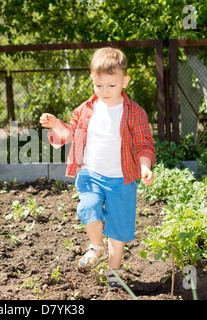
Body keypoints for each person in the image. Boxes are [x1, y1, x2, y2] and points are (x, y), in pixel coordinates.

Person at [39, 47, 155, 287]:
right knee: (88, 207)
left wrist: (145, 166)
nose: (104, 92)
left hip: (123, 179)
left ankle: (114, 271)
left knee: (118, 228)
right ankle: (96, 247)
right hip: (91, 174)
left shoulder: (134, 113)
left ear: (125, 81)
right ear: (92, 80)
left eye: (111, 86)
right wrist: (56, 124)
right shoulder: (85, 109)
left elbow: (145, 144)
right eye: (98, 85)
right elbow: (68, 135)